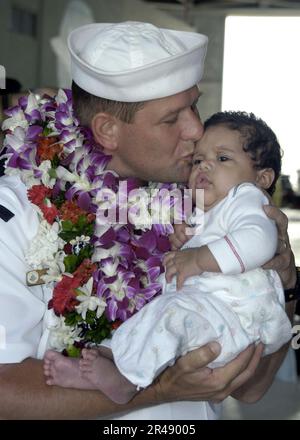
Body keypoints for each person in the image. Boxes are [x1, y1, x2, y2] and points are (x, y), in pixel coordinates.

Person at [0, 21, 297, 420]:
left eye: (194, 104)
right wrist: (159, 390)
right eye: (172, 118)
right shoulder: (23, 209)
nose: (196, 129)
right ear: (108, 130)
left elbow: (252, 387)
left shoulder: (204, 205)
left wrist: (285, 286)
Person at [43, 111, 292, 404]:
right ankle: (109, 358)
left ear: (262, 178)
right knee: (157, 316)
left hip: (235, 317)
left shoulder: (247, 198)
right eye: (198, 160)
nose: (205, 165)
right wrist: (186, 239)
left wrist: (197, 258)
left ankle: (127, 382)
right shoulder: (208, 208)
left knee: (169, 315)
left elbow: (257, 242)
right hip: (212, 313)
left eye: (223, 158)